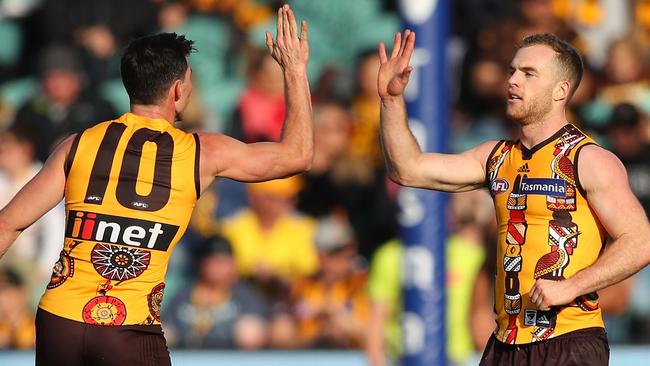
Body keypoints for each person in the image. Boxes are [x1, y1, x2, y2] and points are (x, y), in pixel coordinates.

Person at [0, 4, 313, 365]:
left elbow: (8, 223)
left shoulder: (77, 144)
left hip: (59, 321)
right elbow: (298, 155)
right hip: (128, 326)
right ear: (177, 90)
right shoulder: (201, 153)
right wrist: (294, 70)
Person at [377, 30, 650, 365]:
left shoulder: (589, 159)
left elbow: (640, 242)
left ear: (561, 90)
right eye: (512, 71)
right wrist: (391, 100)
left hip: (569, 342)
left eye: (528, 74)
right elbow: (408, 169)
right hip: (505, 344)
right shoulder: (496, 157)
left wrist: (571, 286)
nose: (513, 80)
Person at [162, 235, 270, 349]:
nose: (219, 268)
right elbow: (167, 327)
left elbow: (256, 331)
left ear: (233, 264)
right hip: (188, 357)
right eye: (214, 262)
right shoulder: (184, 294)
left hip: (233, 359)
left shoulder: (245, 296)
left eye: (223, 262)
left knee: (250, 332)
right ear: (202, 264)